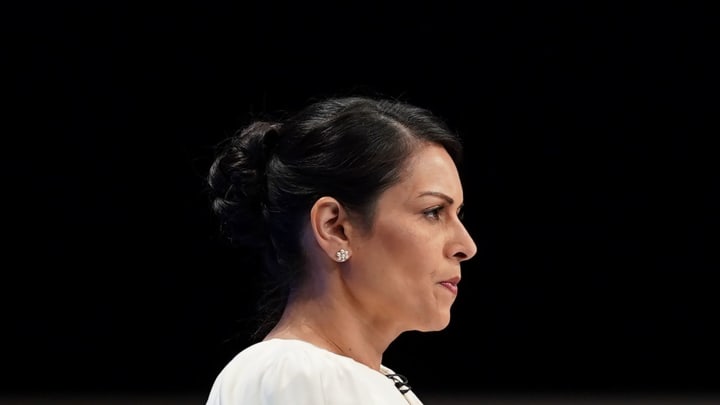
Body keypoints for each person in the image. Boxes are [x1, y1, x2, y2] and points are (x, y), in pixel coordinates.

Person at [205, 94, 478, 404]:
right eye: (433, 212)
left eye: (458, 214)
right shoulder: (295, 376)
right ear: (335, 228)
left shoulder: (353, 380)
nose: (466, 246)